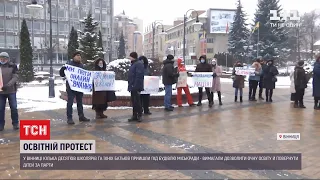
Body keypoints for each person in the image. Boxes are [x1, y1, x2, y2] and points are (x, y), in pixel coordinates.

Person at [59, 51, 90, 124]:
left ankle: (81, 116)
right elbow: (62, 74)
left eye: (80, 55)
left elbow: (85, 76)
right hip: (71, 87)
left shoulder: (82, 66)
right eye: (77, 55)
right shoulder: (69, 65)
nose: (79, 57)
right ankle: (69, 118)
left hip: (79, 87)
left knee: (80, 102)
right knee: (70, 102)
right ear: (73, 57)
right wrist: (63, 69)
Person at [0, 52, 19, 131]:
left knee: (14, 108)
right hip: (1, 92)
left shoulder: (13, 66)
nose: (2, 60)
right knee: (0, 109)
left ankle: (15, 123)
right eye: (1, 58)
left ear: (8, 59)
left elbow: (15, 78)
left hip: (11, 91)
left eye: (4, 58)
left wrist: (8, 85)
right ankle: (1, 125)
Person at [127, 52, 144, 122]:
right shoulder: (133, 64)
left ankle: (139, 115)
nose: (129, 58)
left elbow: (139, 76)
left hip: (136, 86)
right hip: (132, 85)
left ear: (133, 57)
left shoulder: (138, 64)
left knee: (137, 101)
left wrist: (135, 85)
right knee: (134, 101)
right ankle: (134, 115)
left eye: (130, 56)